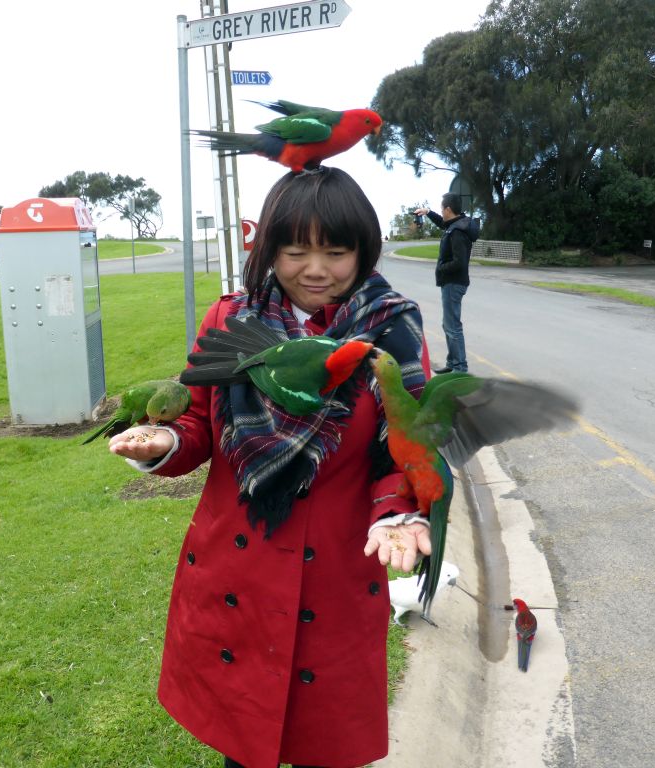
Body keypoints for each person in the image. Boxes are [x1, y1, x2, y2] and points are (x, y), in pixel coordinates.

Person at [109, 167, 432, 768]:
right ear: (269, 252)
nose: (317, 269)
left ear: (364, 250)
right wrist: (163, 444)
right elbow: (199, 424)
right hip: (239, 574)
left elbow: (404, 447)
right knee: (244, 744)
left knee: (323, 746)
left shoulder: (393, 328)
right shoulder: (232, 320)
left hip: (335, 576)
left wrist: (397, 514)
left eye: (336, 252)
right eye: (295, 251)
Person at [414, 193, 480, 374]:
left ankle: (460, 368)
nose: (441, 212)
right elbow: (443, 224)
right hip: (453, 282)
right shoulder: (458, 224)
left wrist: (442, 267)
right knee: (448, 324)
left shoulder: (458, 231)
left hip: (453, 283)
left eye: (442, 209)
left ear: (448, 210)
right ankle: (453, 363)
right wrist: (427, 212)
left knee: (453, 326)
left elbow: (460, 262)